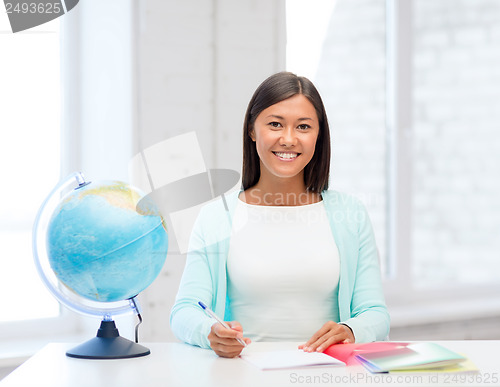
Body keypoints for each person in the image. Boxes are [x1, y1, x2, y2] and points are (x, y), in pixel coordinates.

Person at [170, 71, 390, 358]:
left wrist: (351, 330)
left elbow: (375, 313)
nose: (288, 139)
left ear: (318, 134)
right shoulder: (216, 217)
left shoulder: (350, 214)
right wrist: (209, 333)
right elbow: (185, 310)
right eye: (275, 124)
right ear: (252, 130)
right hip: (243, 376)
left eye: (303, 127)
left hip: (325, 374)